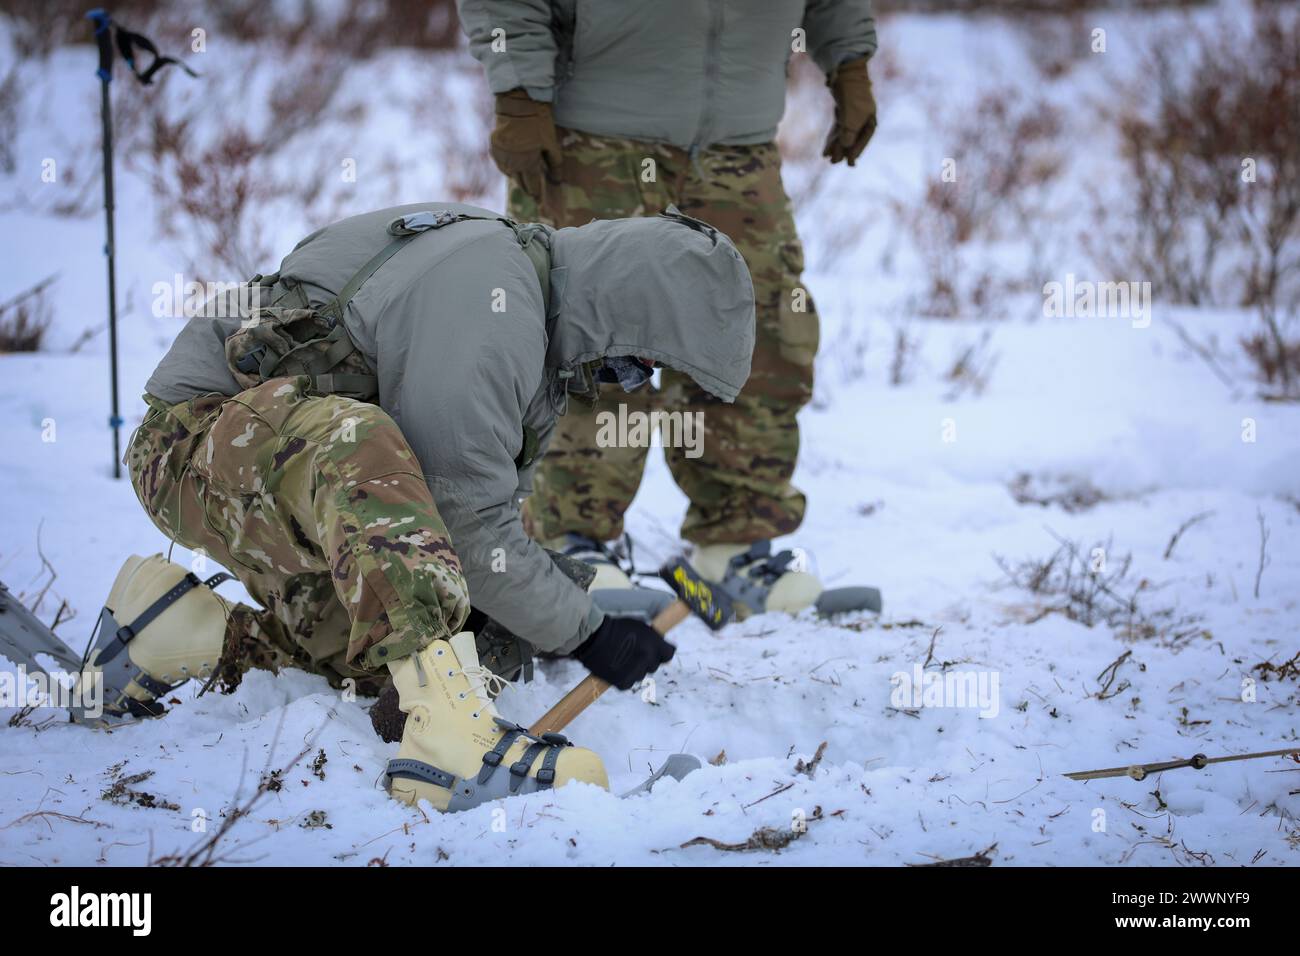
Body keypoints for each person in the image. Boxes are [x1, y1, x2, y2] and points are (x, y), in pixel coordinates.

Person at [90, 201, 755, 811]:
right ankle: (449, 752)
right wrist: (590, 633)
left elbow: (474, 526)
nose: (623, 384)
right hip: (191, 448)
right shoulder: (494, 307)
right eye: (635, 367)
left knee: (392, 648)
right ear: (618, 311)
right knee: (367, 451)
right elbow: (465, 522)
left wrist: (536, 617)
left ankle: (176, 631)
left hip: (275, 474)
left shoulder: (526, 303)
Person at [458, 0, 879, 616]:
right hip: (593, 140)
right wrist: (520, 90)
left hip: (740, 147)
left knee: (760, 341)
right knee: (590, 342)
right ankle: (570, 542)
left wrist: (850, 62)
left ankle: (733, 547)